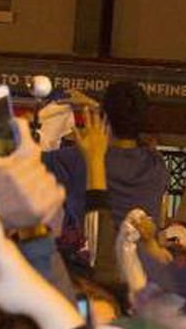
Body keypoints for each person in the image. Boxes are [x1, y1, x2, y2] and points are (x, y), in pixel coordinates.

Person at [45, 80, 168, 227]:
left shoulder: (83, 158)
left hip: (96, 247)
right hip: (142, 248)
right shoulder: (156, 164)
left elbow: (27, 161)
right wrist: (101, 110)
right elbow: (129, 123)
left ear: (106, 118)